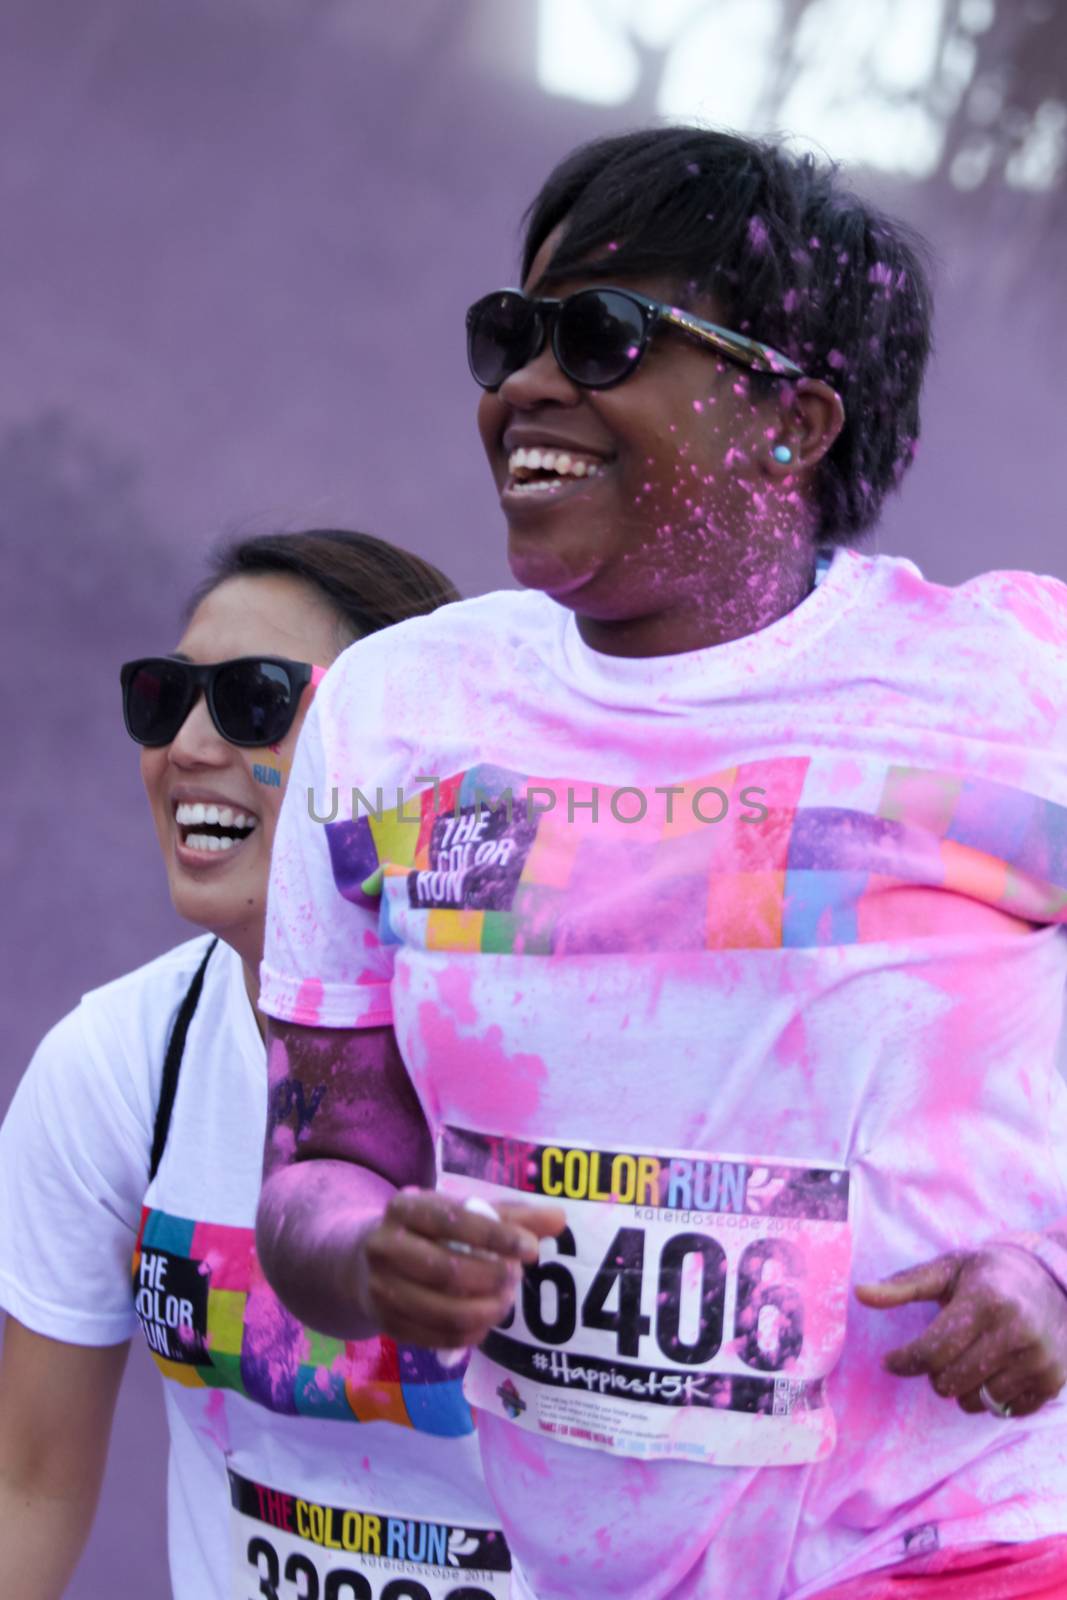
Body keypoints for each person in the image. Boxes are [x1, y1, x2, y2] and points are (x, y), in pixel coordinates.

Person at [254, 129, 1067, 1600]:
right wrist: (373, 1251)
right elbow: (319, 1166)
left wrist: (1055, 1277)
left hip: (963, 1547)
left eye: (604, 335)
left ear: (792, 421)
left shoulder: (1017, 687)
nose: (523, 386)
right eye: (510, 333)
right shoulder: (391, 712)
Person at [0, 530, 516, 1599]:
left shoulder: (560, 1057)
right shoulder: (119, 1063)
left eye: (254, 700)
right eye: (163, 697)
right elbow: (28, 1488)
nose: (185, 744)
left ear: (401, 752)